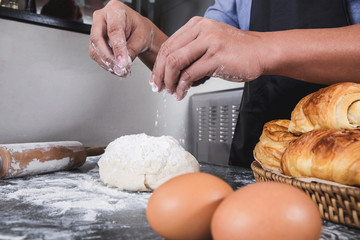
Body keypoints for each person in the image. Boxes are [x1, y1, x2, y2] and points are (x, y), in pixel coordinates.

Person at [89, 0, 360, 168]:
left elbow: (248, 47)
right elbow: (200, 54)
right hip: (261, 154)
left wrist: (261, 48)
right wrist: (148, 38)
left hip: (344, 153)